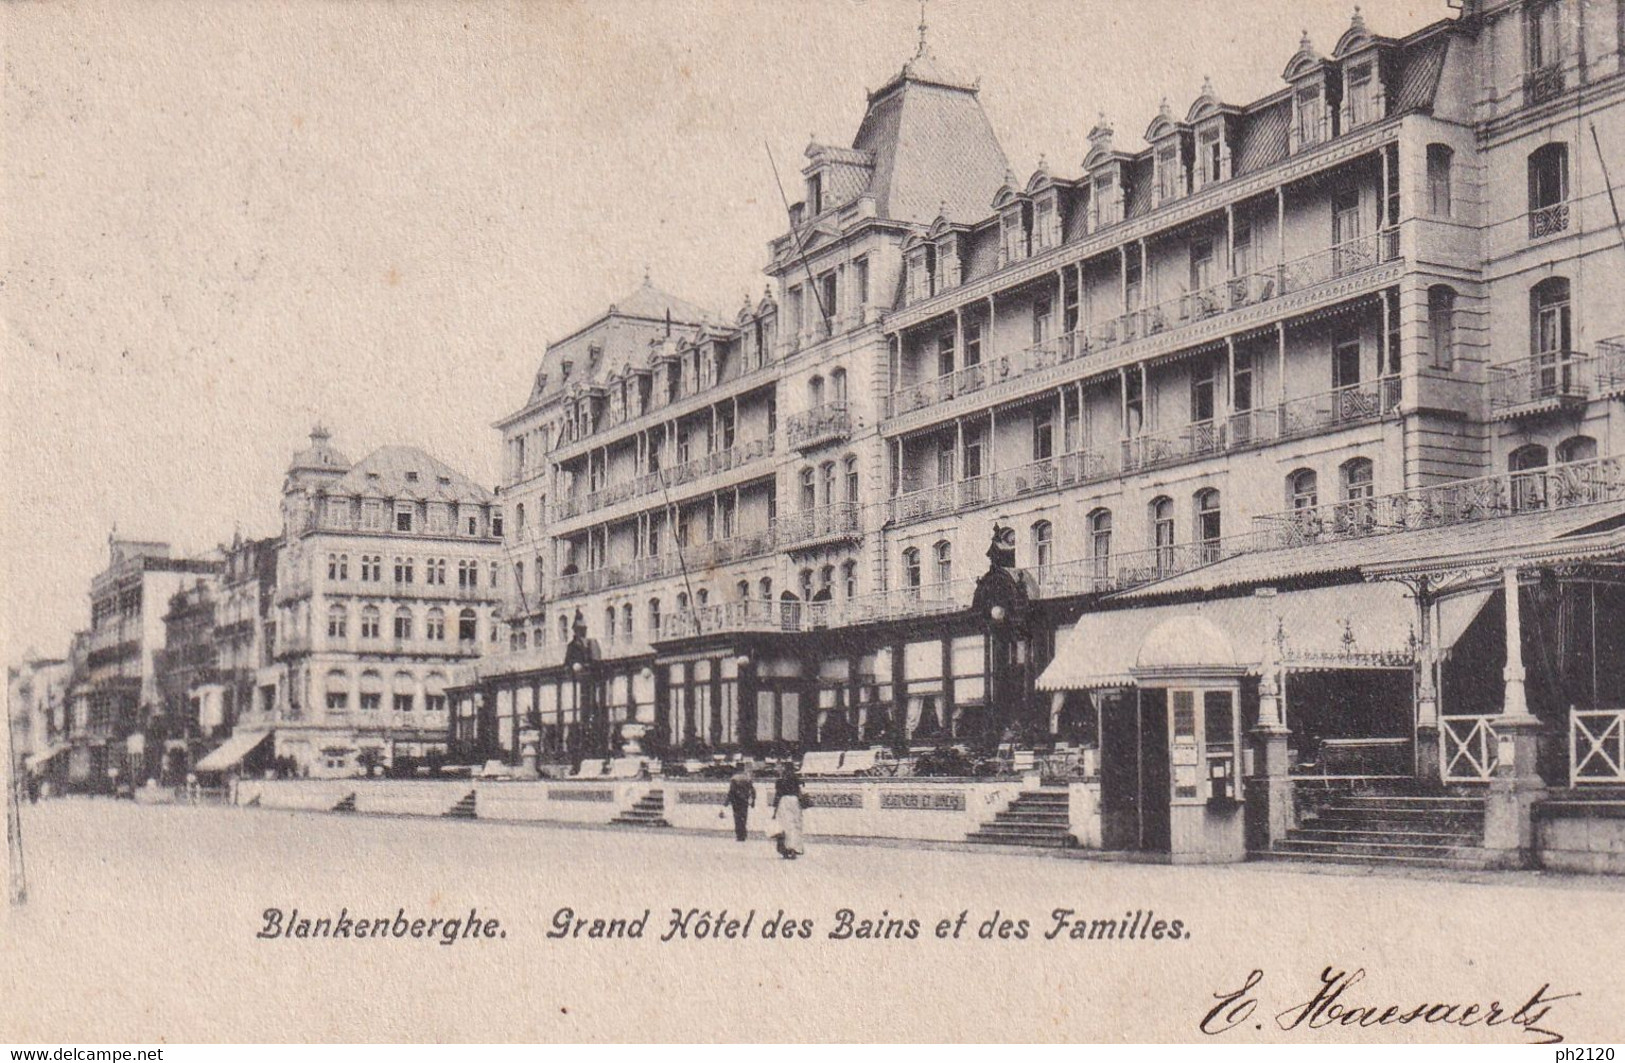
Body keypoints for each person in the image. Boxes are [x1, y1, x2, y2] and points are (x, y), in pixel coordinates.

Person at [770, 764, 807, 860]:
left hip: (783, 802)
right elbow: (800, 793)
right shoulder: (797, 781)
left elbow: (778, 795)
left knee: (784, 826)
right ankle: (794, 848)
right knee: (795, 826)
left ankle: (785, 849)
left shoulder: (780, 781)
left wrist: (774, 811)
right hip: (795, 803)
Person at [719, 763, 756, 842]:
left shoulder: (734, 778)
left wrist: (726, 802)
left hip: (736, 801)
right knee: (744, 817)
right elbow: (752, 790)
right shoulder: (747, 778)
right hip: (745, 800)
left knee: (737, 818)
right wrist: (753, 800)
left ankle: (739, 835)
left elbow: (731, 791)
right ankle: (743, 834)